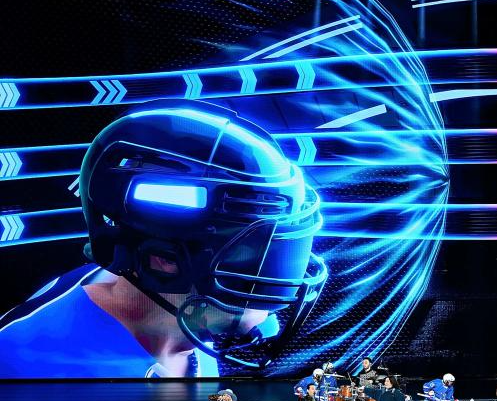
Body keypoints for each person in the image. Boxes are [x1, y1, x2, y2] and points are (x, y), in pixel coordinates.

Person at [0, 100, 328, 377]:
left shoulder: (185, 323)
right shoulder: (28, 366)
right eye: (252, 265)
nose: (271, 304)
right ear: (164, 262)